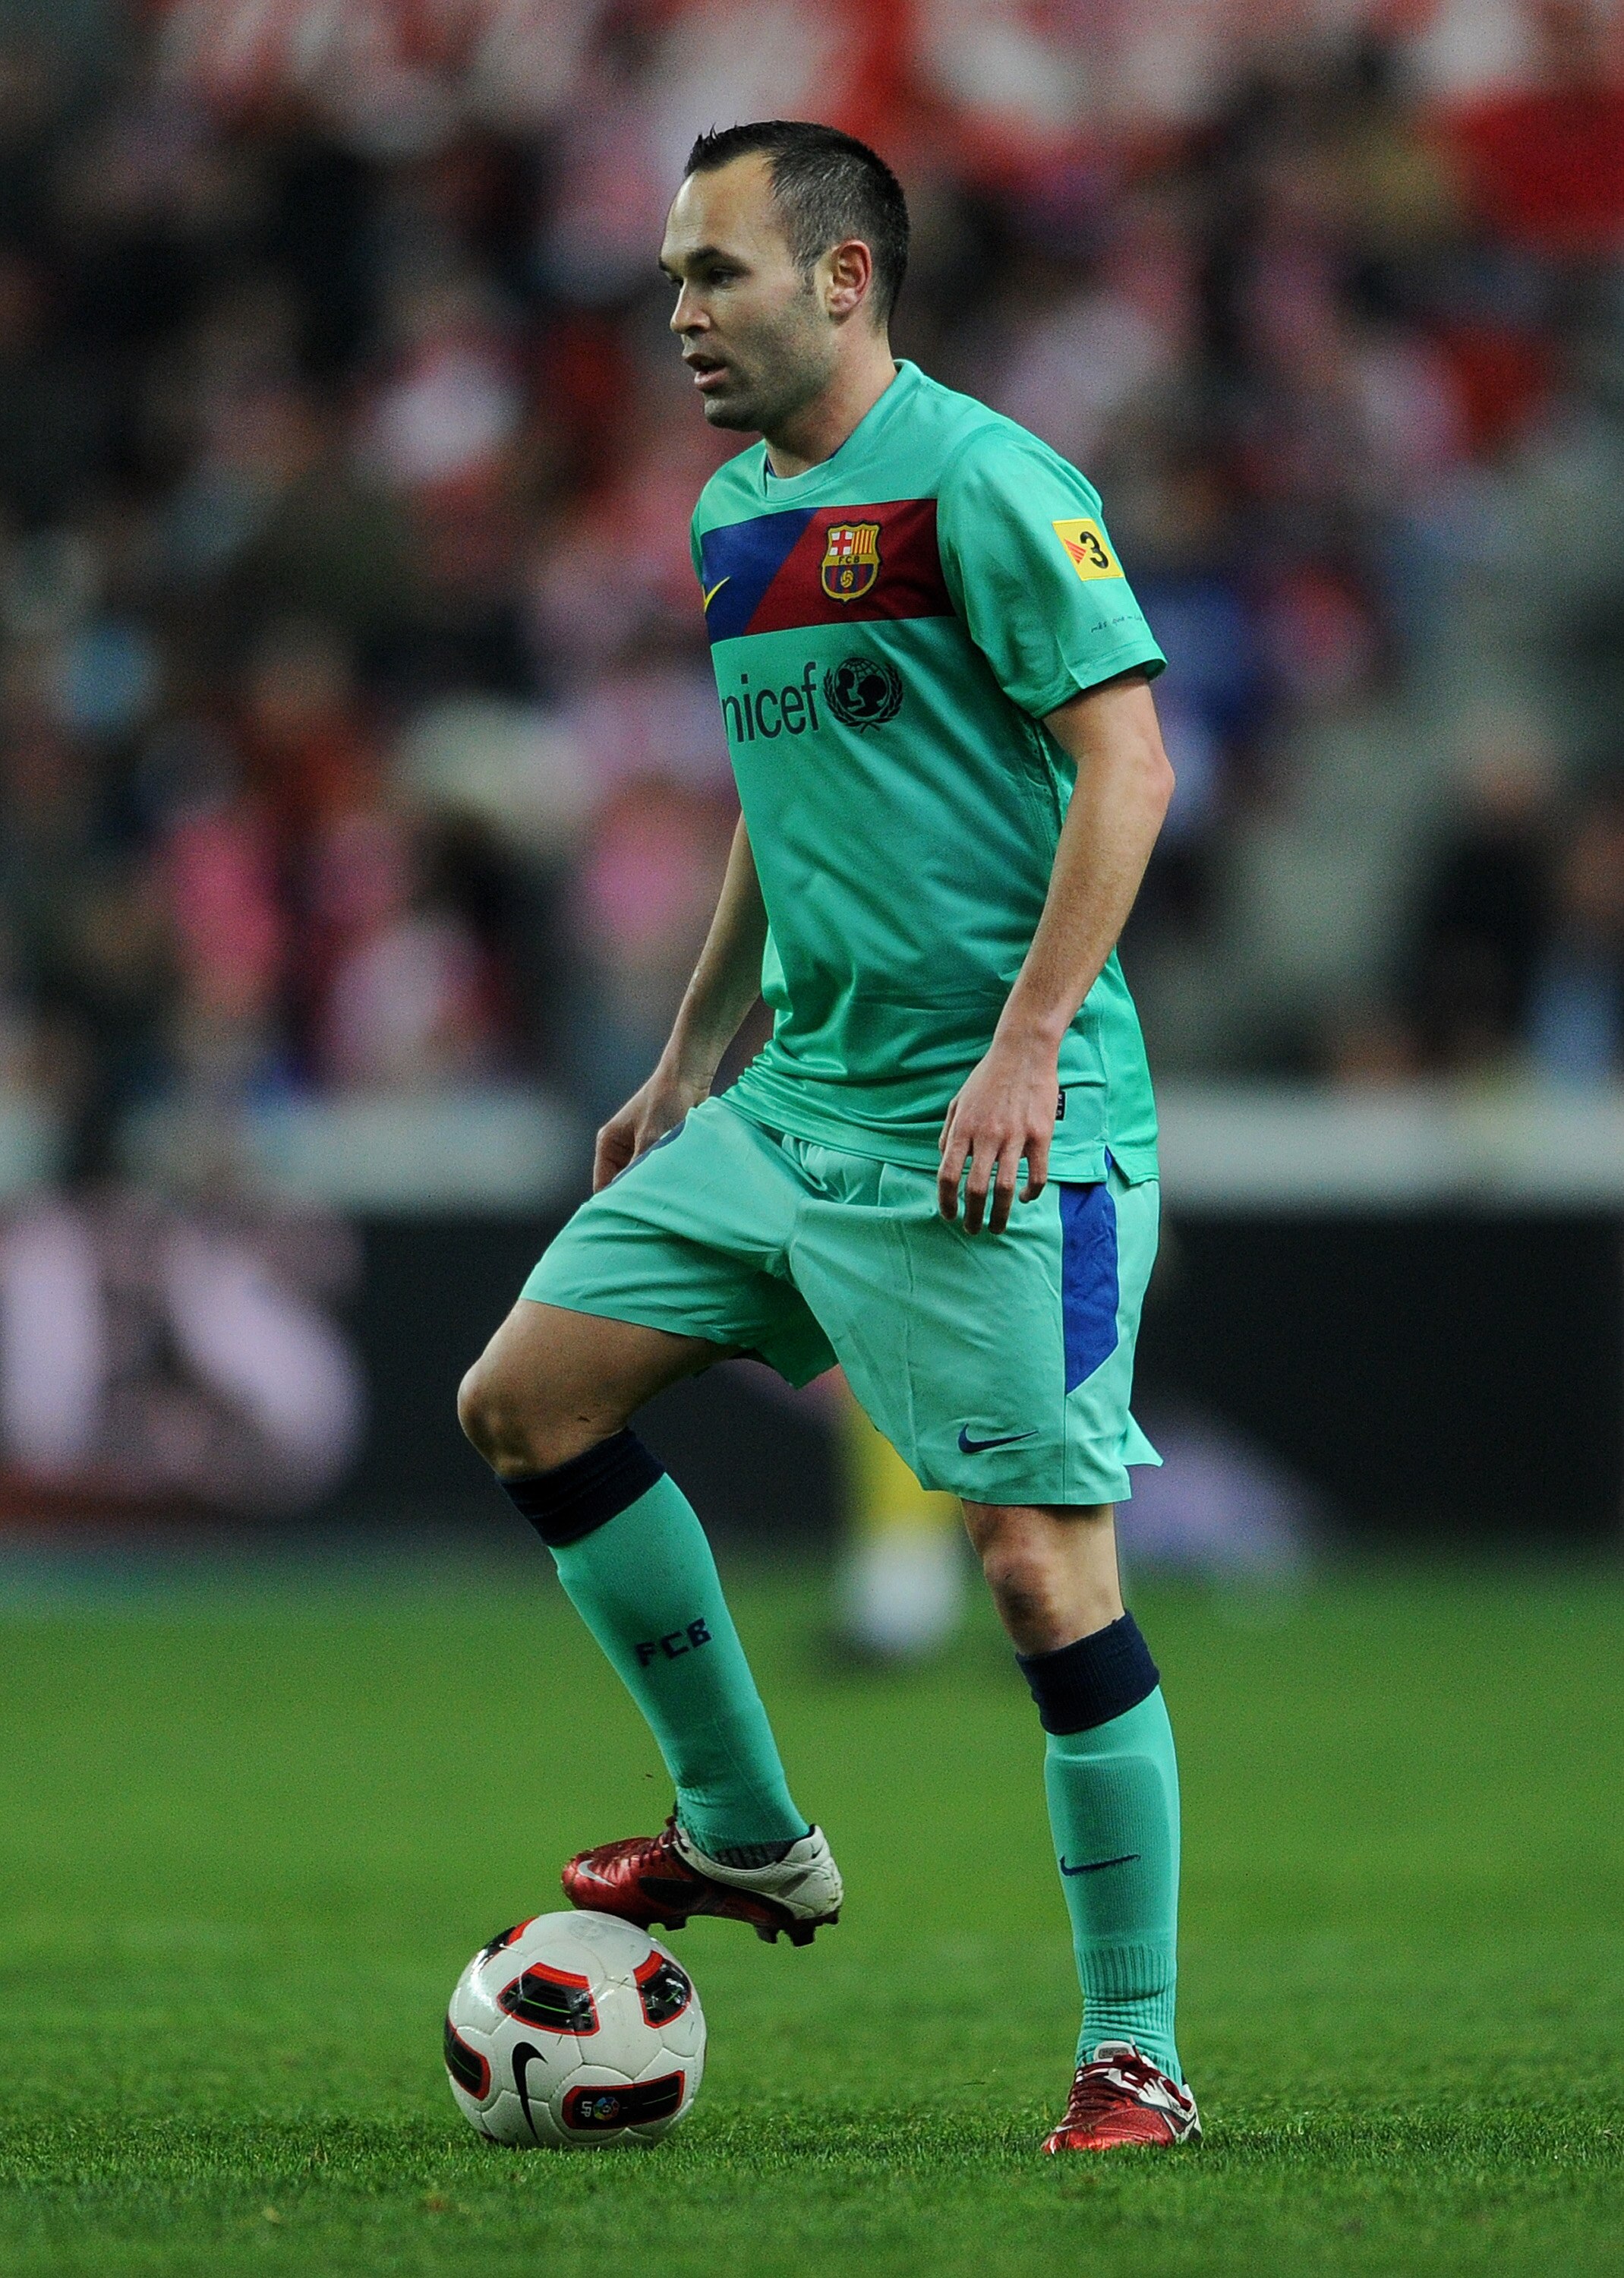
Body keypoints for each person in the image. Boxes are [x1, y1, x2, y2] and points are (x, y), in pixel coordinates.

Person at [459, 120, 1194, 2155]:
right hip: (794, 1108)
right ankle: (746, 1831)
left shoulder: (985, 481)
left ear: (842, 280)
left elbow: (1125, 761)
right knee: (525, 1400)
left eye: (715, 273)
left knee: (1042, 1575)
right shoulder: (729, 516)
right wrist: (690, 1050)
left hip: (1006, 1140)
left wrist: (1030, 1042)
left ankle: (1132, 2051)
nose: (678, 312)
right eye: (671, 278)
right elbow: (784, 810)